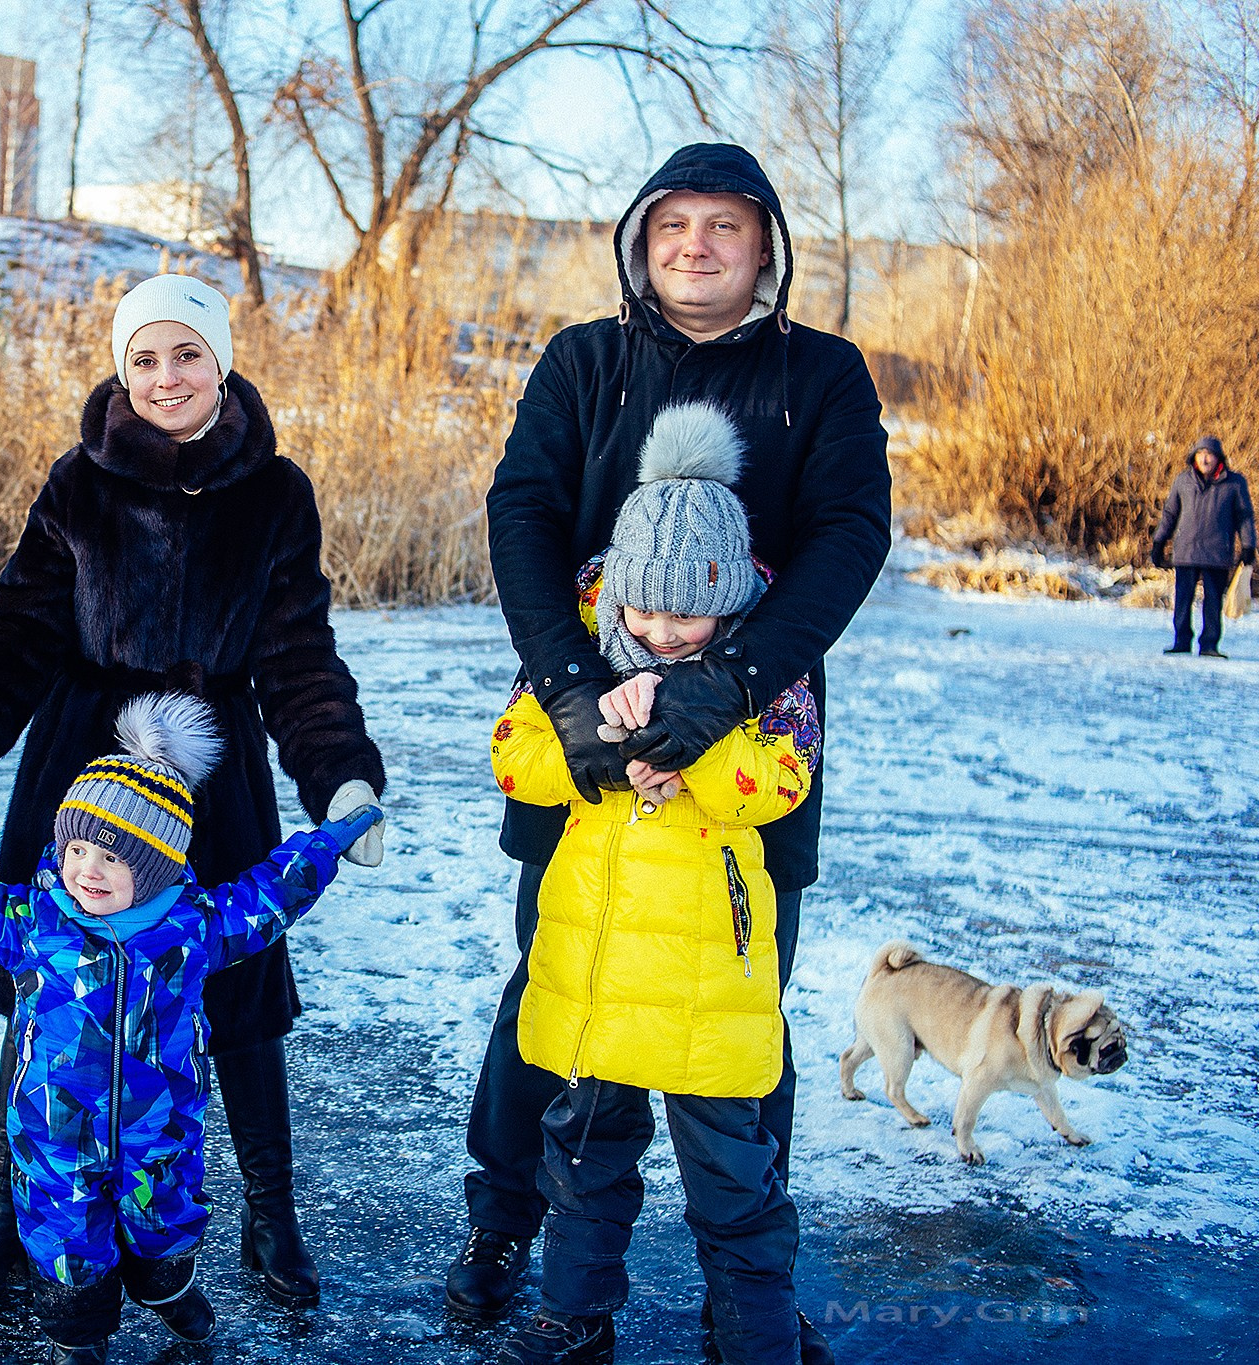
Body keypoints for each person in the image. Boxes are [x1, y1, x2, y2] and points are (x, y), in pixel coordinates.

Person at [458, 143, 891, 1365]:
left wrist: (732, 685)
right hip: (580, 738)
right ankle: (505, 1228)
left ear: (765, 248)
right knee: (545, 1005)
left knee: (741, 1014)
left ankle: (748, 1285)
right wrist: (569, 695)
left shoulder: (822, 376)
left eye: (724, 225)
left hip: (750, 760)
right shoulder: (583, 363)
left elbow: (851, 535)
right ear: (640, 242)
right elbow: (521, 514)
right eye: (672, 224)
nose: (695, 244)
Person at [0, 274, 386, 1314]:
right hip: (82, 764)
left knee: (237, 990)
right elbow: (19, 629)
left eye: (186, 355)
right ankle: (5, 1218)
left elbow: (297, 653)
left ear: (222, 362)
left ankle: (269, 1214)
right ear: (122, 371)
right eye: (144, 359)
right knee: (47, 991)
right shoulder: (79, 483)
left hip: (214, 774)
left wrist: (338, 774)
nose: (167, 377)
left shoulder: (275, 492)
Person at [0, 695, 382, 1364]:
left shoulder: (190, 930)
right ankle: (80, 1337)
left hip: (160, 1135)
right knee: (68, 1245)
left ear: (153, 870)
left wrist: (327, 842)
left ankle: (167, 1286)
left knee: (164, 1230)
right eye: (76, 848)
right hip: (56, 1136)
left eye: (112, 858)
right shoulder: (37, 924)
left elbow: (266, 897)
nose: (87, 869)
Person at [489, 403, 820, 1365]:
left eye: (691, 611)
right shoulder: (583, 657)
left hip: (705, 987)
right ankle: (573, 1319)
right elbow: (515, 760)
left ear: (731, 599)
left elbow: (783, 776)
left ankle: (757, 1334)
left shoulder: (760, 678)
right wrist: (595, 733)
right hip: (595, 978)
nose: (666, 631)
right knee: (583, 1163)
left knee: (733, 1178)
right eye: (647, 608)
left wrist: (694, 748)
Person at [1151, 435, 1254, 659]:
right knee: (1183, 599)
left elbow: (1244, 516)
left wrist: (1248, 546)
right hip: (1186, 550)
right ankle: (1181, 641)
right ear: (1194, 458)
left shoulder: (1235, 483)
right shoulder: (1183, 481)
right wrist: (1159, 541)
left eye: (1209, 454)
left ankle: (1209, 644)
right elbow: (1170, 513)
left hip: (1217, 552)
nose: (1205, 459)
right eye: (1200, 454)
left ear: (1219, 459)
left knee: (1214, 601)